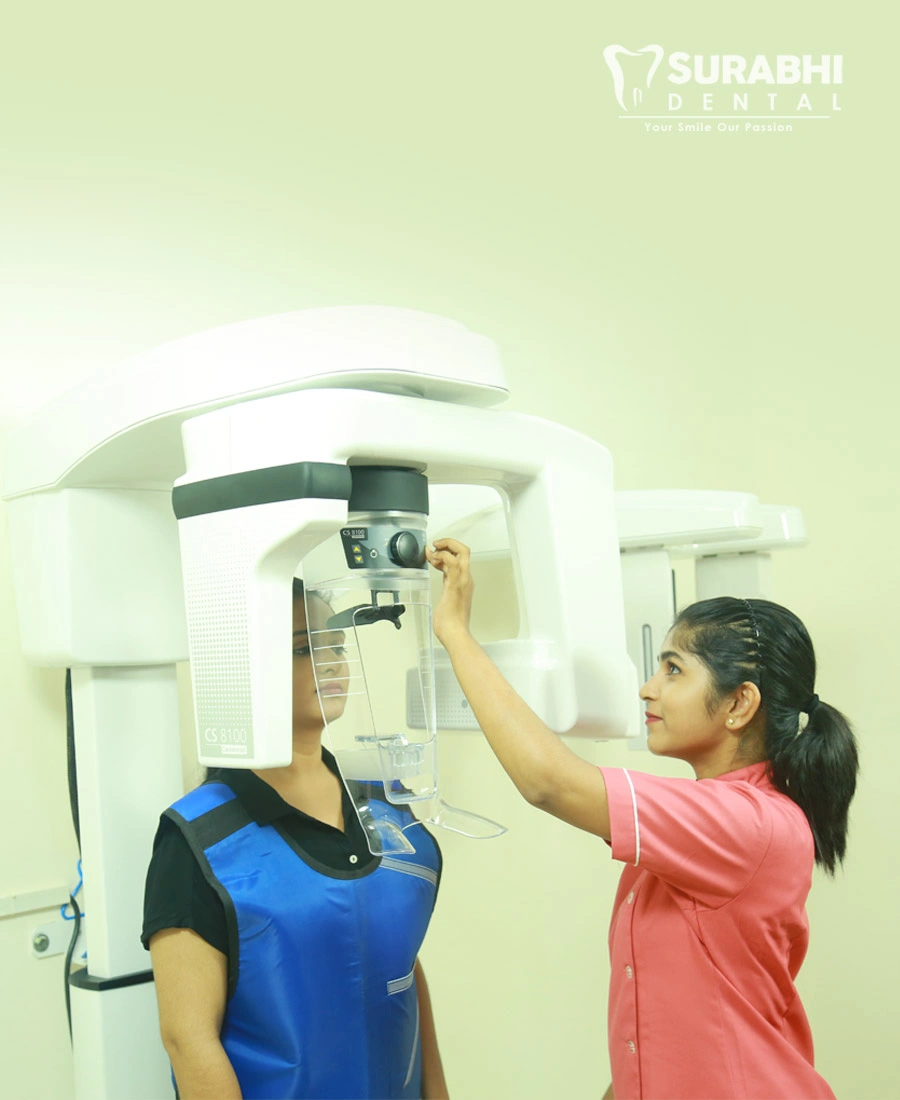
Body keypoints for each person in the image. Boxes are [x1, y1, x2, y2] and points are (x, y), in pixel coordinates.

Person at [425, 538, 857, 1100]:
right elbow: (667, 1019)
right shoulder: (707, 824)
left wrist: (456, 633)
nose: (648, 689)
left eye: (674, 670)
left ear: (739, 705)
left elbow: (550, 782)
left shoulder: (747, 824)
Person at [143, 579, 449, 1100]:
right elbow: (188, 1039)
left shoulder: (384, 809)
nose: (330, 662)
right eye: (303, 648)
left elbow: (400, 969)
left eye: (335, 645)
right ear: (246, 671)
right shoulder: (200, 839)